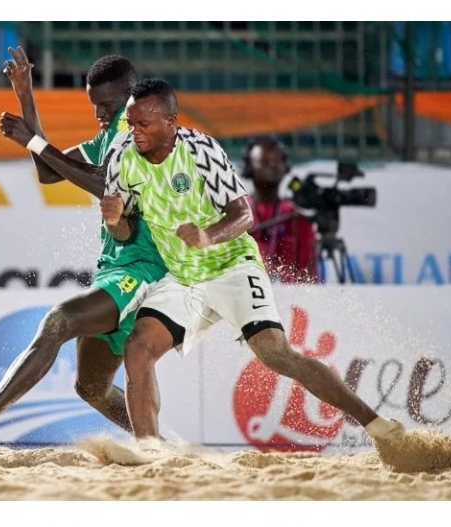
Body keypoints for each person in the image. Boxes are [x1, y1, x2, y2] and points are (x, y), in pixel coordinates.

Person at [96, 78, 405, 444]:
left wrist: (208, 236)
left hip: (231, 265)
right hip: (182, 276)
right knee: (138, 347)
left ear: (171, 121)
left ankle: (377, 426)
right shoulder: (121, 156)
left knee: (277, 354)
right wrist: (115, 221)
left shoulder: (200, 150)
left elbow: (244, 215)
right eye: (130, 123)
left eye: (143, 124)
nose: (134, 132)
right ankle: (150, 448)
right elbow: (124, 234)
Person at [0, 48, 169, 453]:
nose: (100, 114)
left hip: (144, 271)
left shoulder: (138, 137)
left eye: (108, 106)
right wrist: (26, 96)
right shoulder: (106, 137)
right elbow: (48, 171)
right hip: (116, 269)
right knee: (91, 388)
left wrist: (36, 141)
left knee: (58, 321)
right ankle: (160, 444)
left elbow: (103, 185)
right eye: (95, 106)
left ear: (130, 97)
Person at [241, 138, 318, 284]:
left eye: (277, 160)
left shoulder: (297, 218)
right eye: (264, 160)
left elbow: (311, 278)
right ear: (249, 167)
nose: (273, 165)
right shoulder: (236, 214)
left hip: (291, 301)